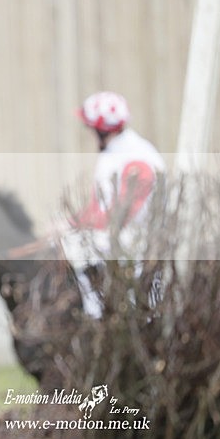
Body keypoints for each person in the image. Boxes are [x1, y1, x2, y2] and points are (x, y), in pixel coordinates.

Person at [62, 91, 166, 318]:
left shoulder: (118, 158)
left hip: (131, 238)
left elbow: (111, 214)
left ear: (102, 129)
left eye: (90, 128)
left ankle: (94, 312)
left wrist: (68, 224)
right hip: (141, 236)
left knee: (71, 244)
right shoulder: (140, 149)